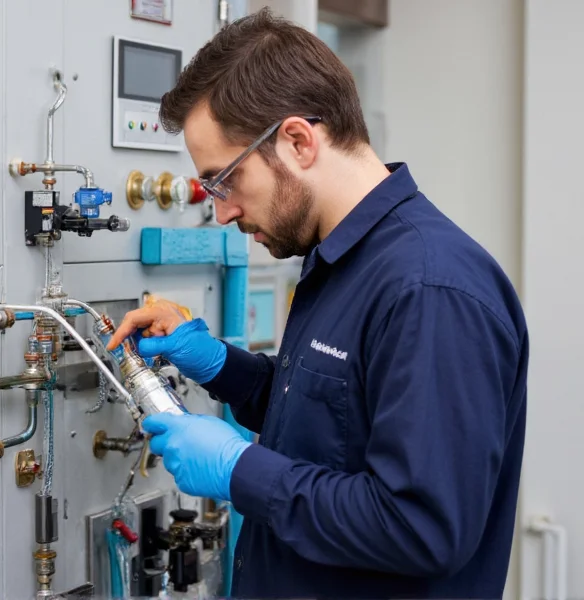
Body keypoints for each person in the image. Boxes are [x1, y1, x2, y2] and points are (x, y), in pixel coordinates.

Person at [106, 8, 528, 599]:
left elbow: (422, 528)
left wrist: (241, 470)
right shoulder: (338, 260)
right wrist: (221, 365)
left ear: (298, 141)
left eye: (224, 180)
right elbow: (334, 423)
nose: (222, 212)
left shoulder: (430, 290)